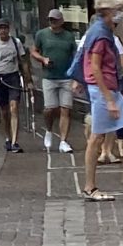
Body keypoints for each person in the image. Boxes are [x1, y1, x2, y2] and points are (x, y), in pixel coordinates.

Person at [78, 0, 123, 200]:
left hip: (110, 88)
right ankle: (90, 187)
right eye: (118, 10)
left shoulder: (104, 30)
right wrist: (109, 100)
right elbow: (95, 67)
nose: (121, 14)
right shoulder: (99, 33)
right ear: (108, 11)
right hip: (102, 90)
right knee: (96, 138)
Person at [29, 9, 79, 156]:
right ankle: (49, 130)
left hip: (66, 76)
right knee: (49, 109)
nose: (53, 22)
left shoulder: (69, 36)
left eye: (55, 20)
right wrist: (43, 59)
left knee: (65, 108)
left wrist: (76, 76)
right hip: (49, 76)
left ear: (61, 21)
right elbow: (33, 51)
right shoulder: (42, 34)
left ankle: (63, 140)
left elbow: (75, 55)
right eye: (51, 20)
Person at [0, 21, 25, 154]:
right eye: (0, 28)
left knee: (14, 107)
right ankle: (8, 138)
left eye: (5, 28)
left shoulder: (16, 42)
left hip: (13, 76)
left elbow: (22, 61)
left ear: (9, 29)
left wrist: (28, 79)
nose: (3, 31)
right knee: (4, 111)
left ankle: (15, 141)